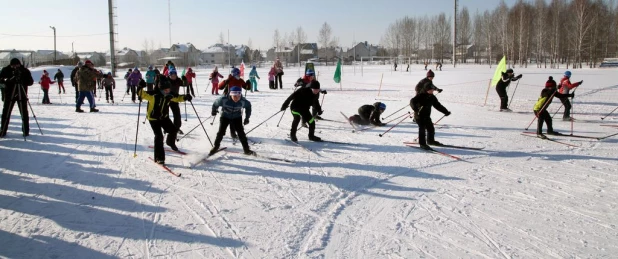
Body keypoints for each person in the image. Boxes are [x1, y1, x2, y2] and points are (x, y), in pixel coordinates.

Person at [140, 77, 192, 164]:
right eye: (166, 90)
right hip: (154, 119)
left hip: (164, 117)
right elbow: (142, 94)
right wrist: (140, 87)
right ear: (161, 89)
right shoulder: (153, 95)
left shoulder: (169, 95)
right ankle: (159, 158)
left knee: (174, 130)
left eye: (169, 89)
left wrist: (185, 97)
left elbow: (177, 98)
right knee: (159, 137)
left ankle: (170, 142)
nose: (168, 91)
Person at [209, 86, 254, 155]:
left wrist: (247, 118)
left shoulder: (243, 101)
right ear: (231, 94)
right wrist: (213, 111)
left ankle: (246, 150)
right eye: (234, 96)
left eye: (238, 96)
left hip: (237, 117)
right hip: (225, 116)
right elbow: (215, 104)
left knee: (241, 133)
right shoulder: (223, 99)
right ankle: (216, 146)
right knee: (221, 132)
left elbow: (248, 107)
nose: (237, 98)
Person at [411, 83, 451, 150]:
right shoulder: (421, 95)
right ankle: (422, 144)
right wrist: (415, 108)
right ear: (426, 89)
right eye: (431, 90)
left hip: (426, 116)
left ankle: (430, 141)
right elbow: (412, 101)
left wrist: (445, 111)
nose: (432, 91)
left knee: (431, 128)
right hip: (419, 116)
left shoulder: (432, 97)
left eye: (433, 90)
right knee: (422, 129)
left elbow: (438, 106)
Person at [0, 58, 34, 137]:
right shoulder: (5, 70)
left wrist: (22, 80)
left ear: (19, 64)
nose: (15, 67)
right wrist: (9, 80)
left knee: (24, 113)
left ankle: (26, 130)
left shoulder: (25, 71)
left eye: (17, 65)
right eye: (13, 65)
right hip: (9, 95)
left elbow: (30, 82)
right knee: (6, 113)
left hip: (21, 94)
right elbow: (1, 80)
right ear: (11, 65)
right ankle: (3, 130)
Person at [167, 68, 185, 133]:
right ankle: (167, 128)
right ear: (169, 75)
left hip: (175, 100)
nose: (173, 76)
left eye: (174, 74)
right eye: (171, 74)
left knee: (177, 115)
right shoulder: (166, 81)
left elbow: (185, 84)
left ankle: (176, 128)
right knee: (165, 115)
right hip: (167, 100)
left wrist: (185, 80)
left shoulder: (178, 80)